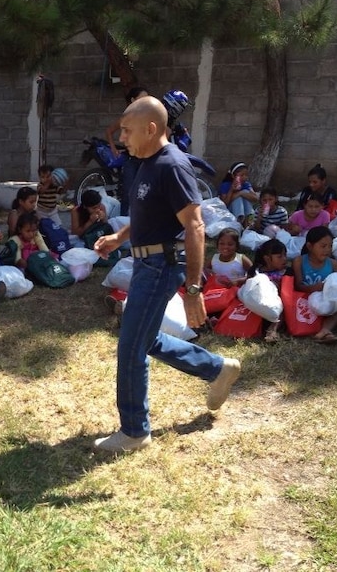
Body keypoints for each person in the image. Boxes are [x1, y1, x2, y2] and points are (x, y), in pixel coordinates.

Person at [92, 96, 242, 453]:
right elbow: (148, 215)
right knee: (143, 338)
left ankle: (134, 431)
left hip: (160, 267)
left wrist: (193, 288)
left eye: (127, 131)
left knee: (131, 347)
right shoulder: (145, 162)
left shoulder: (171, 166)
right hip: (145, 262)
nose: (122, 137)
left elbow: (195, 226)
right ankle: (217, 369)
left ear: (152, 129)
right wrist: (119, 237)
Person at [292, 226, 337, 344]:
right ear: (310, 246)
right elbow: (298, 285)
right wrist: (315, 288)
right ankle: (324, 332)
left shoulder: (333, 264)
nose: (327, 250)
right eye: (323, 246)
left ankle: (324, 331)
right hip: (304, 301)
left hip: (326, 301)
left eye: (330, 246)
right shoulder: (299, 261)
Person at [106, 87, 150, 216]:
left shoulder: (149, 118)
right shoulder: (127, 117)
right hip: (131, 161)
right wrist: (113, 148)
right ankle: (123, 222)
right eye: (142, 99)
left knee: (145, 194)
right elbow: (109, 131)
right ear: (133, 100)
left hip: (146, 161)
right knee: (128, 194)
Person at [248, 239, 289, 343]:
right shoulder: (256, 271)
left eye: (285, 255)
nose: (284, 259)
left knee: (281, 309)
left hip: (277, 303)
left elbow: (289, 291)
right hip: (257, 301)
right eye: (279, 256)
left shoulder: (287, 272)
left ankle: (272, 330)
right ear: (267, 258)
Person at [218, 161, 259, 225]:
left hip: (245, 213)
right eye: (242, 175)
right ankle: (239, 220)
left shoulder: (246, 185)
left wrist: (242, 193)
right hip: (230, 212)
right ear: (233, 176)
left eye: (246, 175)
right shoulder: (226, 185)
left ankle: (248, 221)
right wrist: (232, 190)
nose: (244, 177)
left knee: (246, 193)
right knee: (239, 198)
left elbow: (256, 198)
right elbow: (224, 204)